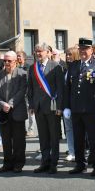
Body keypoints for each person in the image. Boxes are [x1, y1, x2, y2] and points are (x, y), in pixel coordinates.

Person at [63, 38, 95, 176]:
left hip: (92, 109)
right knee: (78, 138)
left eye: (86, 49)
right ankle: (80, 164)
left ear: (91, 50)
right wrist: (67, 106)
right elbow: (68, 87)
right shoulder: (73, 65)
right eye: (81, 49)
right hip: (76, 109)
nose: (83, 52)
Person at [27, 43, 64, 174]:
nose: (38, 54)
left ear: (47, 52)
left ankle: (54, 163)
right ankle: (45, 161)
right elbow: (30, 88)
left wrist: (60, 106)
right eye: (36, 51)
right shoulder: (33, 68)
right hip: (38, 107)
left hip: (53, 107)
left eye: (40, 51)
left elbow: (60, 88)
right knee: (43, 137)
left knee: (54, 136)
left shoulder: (56, 66)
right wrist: (31, 105)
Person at [0, 51, 28, 173]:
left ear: (15, 61)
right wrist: (2, 104)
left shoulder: (23, 74)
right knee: (6, 140)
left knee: (19, 140)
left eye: (9, 61)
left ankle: (18, 164)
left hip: (17, 111)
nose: (6, 63)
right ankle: (7, 164)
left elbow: (22, 91)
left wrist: (10, 104)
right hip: (3, 112)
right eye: (5, 60)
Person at [63, 46, 79, 161]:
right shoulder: (65, 69)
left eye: (70, 54)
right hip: (67, 104)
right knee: (68, 129)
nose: (68, 57)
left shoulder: (79, 68)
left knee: (79, 130)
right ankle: (71, 151)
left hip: (78, 105)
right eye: (66, 54)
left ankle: (79, 152)